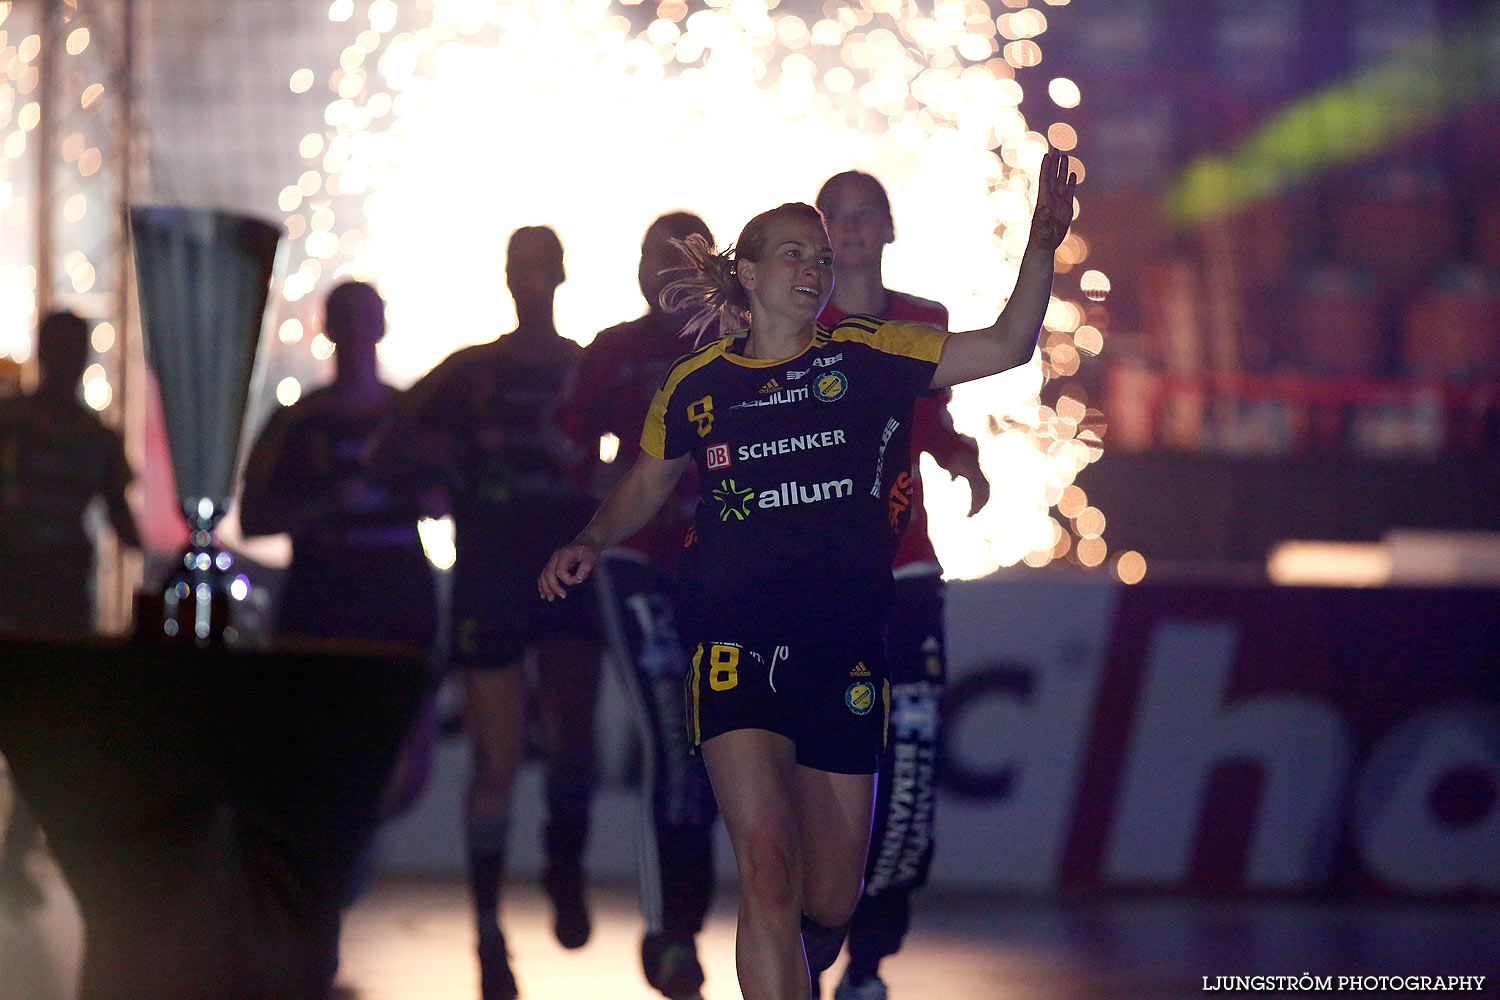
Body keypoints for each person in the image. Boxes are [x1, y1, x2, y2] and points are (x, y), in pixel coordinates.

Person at [541, 150, 1076, 1000]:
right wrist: (590, 539)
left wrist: (1042, 246)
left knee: (829, 895)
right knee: (766, 866)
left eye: (822, 256)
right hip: (732, 645)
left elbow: (1008, 346)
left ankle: (809, 956)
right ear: (747, 274)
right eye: (795, 251)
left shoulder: (868, 353)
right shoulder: (696, 384)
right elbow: (645, 482)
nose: (816, 265)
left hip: (842, 650)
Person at [370, 226, 603, 1000]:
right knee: (496, 764)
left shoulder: (584, 368)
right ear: (506, 278)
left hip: (566, 566)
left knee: (574, 748)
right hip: (493, 571)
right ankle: (488, 932)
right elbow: (389, 447)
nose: (530, 281)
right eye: (519, 269)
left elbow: (650, 449)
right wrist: (433, 478)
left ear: (562, 276)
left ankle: (562, 862)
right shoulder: (471, 371)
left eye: (541, 268)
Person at [813, 171, 990, 1000]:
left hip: (907, 573)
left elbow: (928, 416)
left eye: (862, 216)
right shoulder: (786, 323)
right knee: (814, 767)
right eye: (833, 218)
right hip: (812, 588)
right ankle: (811, 942)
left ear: (888, 227)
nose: (849, 230)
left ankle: (872, 959)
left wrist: (959, 454)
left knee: (909, 764)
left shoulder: (923, 321)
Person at [557, 212, 721, 1000]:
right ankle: (674, 936)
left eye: (688, 258)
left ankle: (699, 926)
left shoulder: (741, 340)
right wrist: (602, 490)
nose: (669, 271)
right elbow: (562, 436)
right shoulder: (612, 351)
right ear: (636, 268)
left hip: (725, 571)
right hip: (636, 568)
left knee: (721, 747)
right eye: (658, 257)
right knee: (672, 740)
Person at [238, 279, 443, 852]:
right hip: (324, 595)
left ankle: (349, 847)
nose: (355, 334)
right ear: (328, 329)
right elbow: (253, 518)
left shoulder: (412, 418)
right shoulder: (296, 424)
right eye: (345, 320)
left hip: (397, 595)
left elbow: (447, 498)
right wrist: (326, 507)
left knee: (403, 742)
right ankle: (329, 855)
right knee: (314, 738)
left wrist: (419, 488)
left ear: (381, 327)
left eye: (364, 319)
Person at [0, 309, 141, 633]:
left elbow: (121, 519)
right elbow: (122, 520)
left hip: (58, 582)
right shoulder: (93, 437)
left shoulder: (95, 437)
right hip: (29, 577)